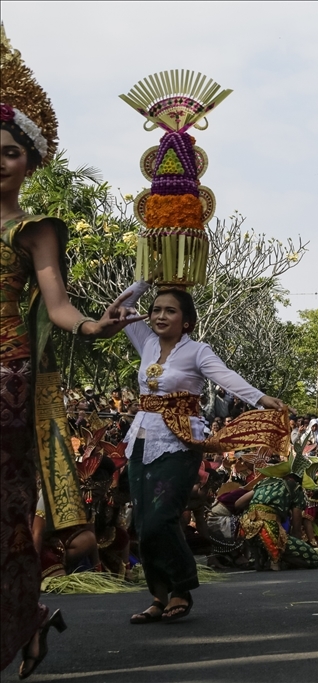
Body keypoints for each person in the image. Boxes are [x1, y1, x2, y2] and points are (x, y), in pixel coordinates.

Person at [1, 30, 142, 676]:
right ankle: (28, 619)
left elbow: (56, 303)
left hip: (9, 378)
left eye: (10, 152)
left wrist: (94, 326)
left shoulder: (34, 230)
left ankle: (23, 614)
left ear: (29, 162)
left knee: (8, 515)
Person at [116, 280, 286, 624]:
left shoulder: (197, 351)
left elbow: (226, 377)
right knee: (145, 524)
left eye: (170, 310)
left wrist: (260, 398)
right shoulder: (145, 341)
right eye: (156, 309)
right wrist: (148, 278)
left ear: (187, 321)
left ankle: (181, 587)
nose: (160, 315)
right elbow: (119, 308)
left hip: (180, 442)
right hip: (141, 440)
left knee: (164, 517)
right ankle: (157, 596)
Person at [237, 460, 318, 571]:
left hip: (245, 527)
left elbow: (238, 504)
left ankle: (261, 560)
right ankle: (277, 561)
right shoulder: (296, 488)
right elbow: (296, 527)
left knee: (265, 544)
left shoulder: (265, 483)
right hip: (268, 530)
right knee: (314, 559)